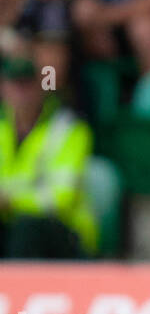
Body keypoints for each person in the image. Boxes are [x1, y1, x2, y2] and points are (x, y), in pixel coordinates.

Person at [0, 55, 96, 258]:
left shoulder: (69, 130)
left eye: (27, 84)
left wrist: (11, 201)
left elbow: (60, 200)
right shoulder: (1, 129)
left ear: (42, 87)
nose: (20, 92)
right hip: (11, 225)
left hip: (65, 232)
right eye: (14, 83)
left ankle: (21, 288)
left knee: (27, 228)